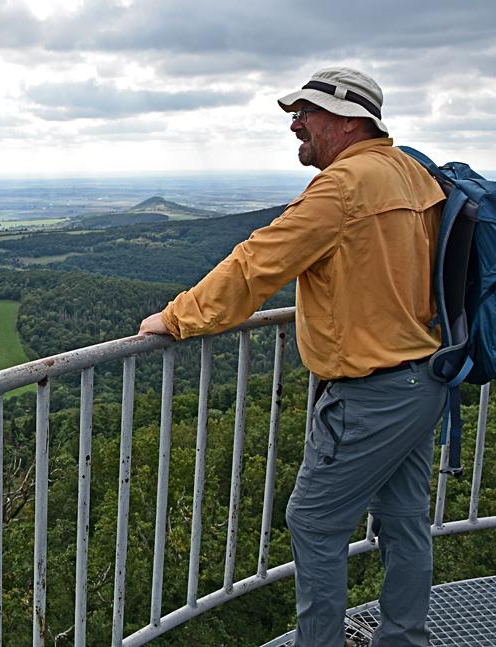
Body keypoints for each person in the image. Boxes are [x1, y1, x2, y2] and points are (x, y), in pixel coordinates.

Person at [138, 67, 448, 646]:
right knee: (405, 521)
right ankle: (405, 638)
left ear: (351, 120)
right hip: (424, 380)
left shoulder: (343, 186)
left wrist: (176, 317)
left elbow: (257, 263)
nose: (295, 123)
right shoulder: (410, 173)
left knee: (313, 521)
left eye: (308, 111)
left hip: (372, 393)